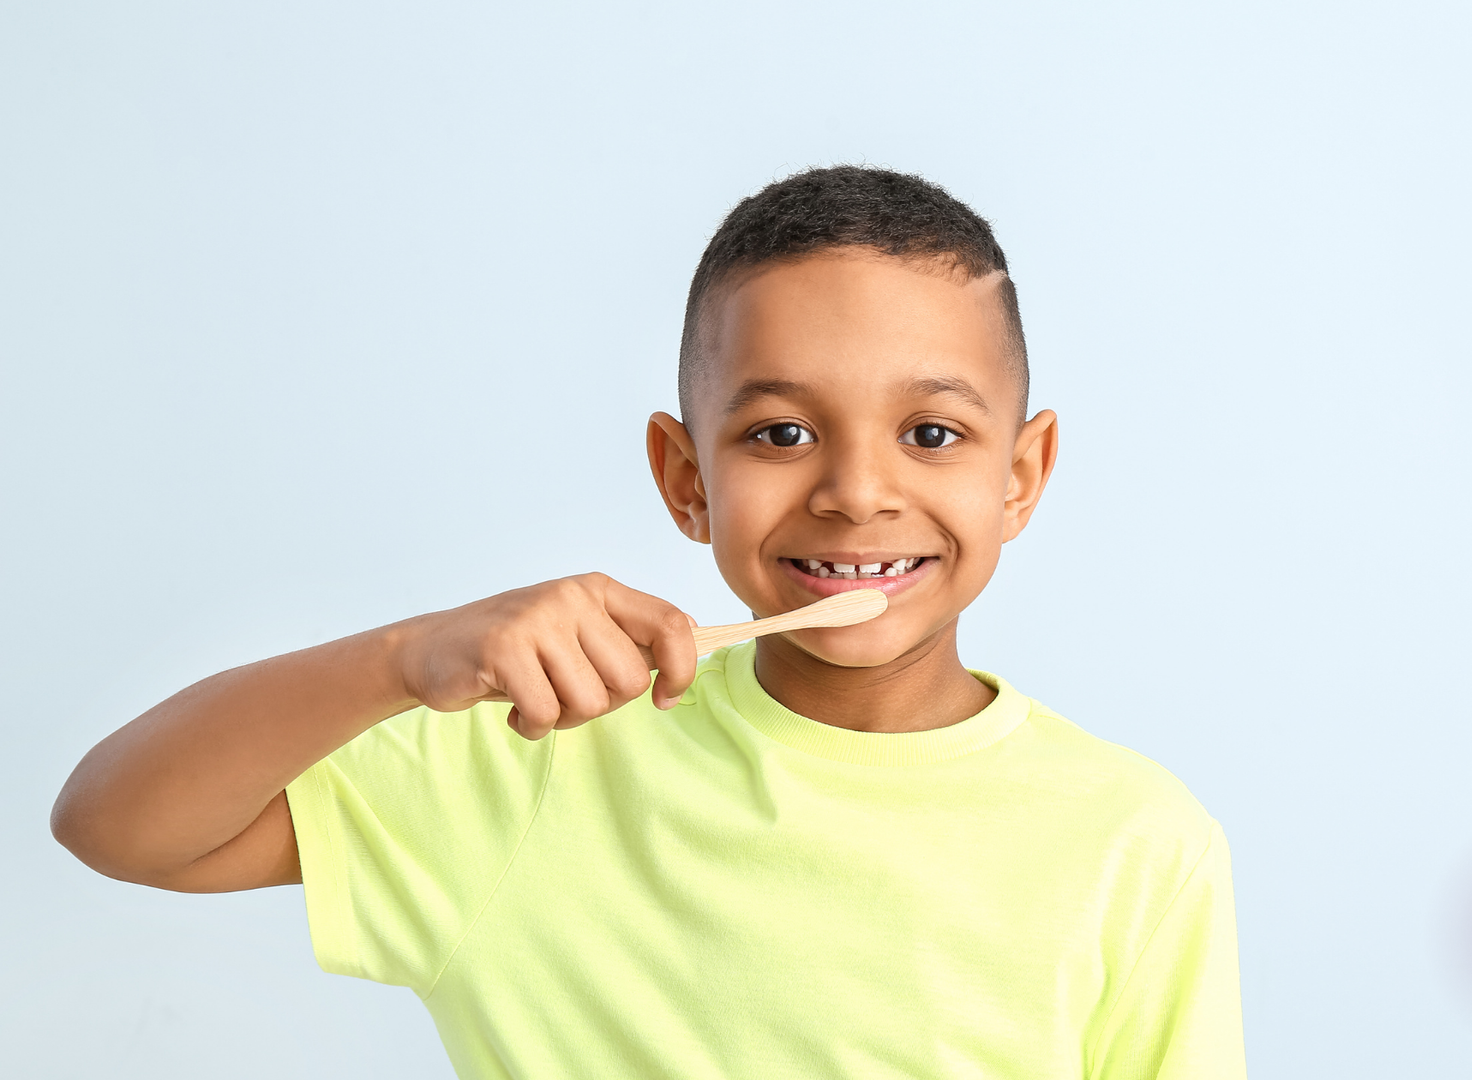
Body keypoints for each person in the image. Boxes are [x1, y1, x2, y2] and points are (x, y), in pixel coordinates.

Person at [52, 166, 1245, 1079]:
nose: (856, 492)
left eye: (931, 433)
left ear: (1021, 475)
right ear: (685, 479)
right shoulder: (539, 763)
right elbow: (118, 825)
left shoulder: (1135, 842)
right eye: (780, 433)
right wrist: (400, 661)